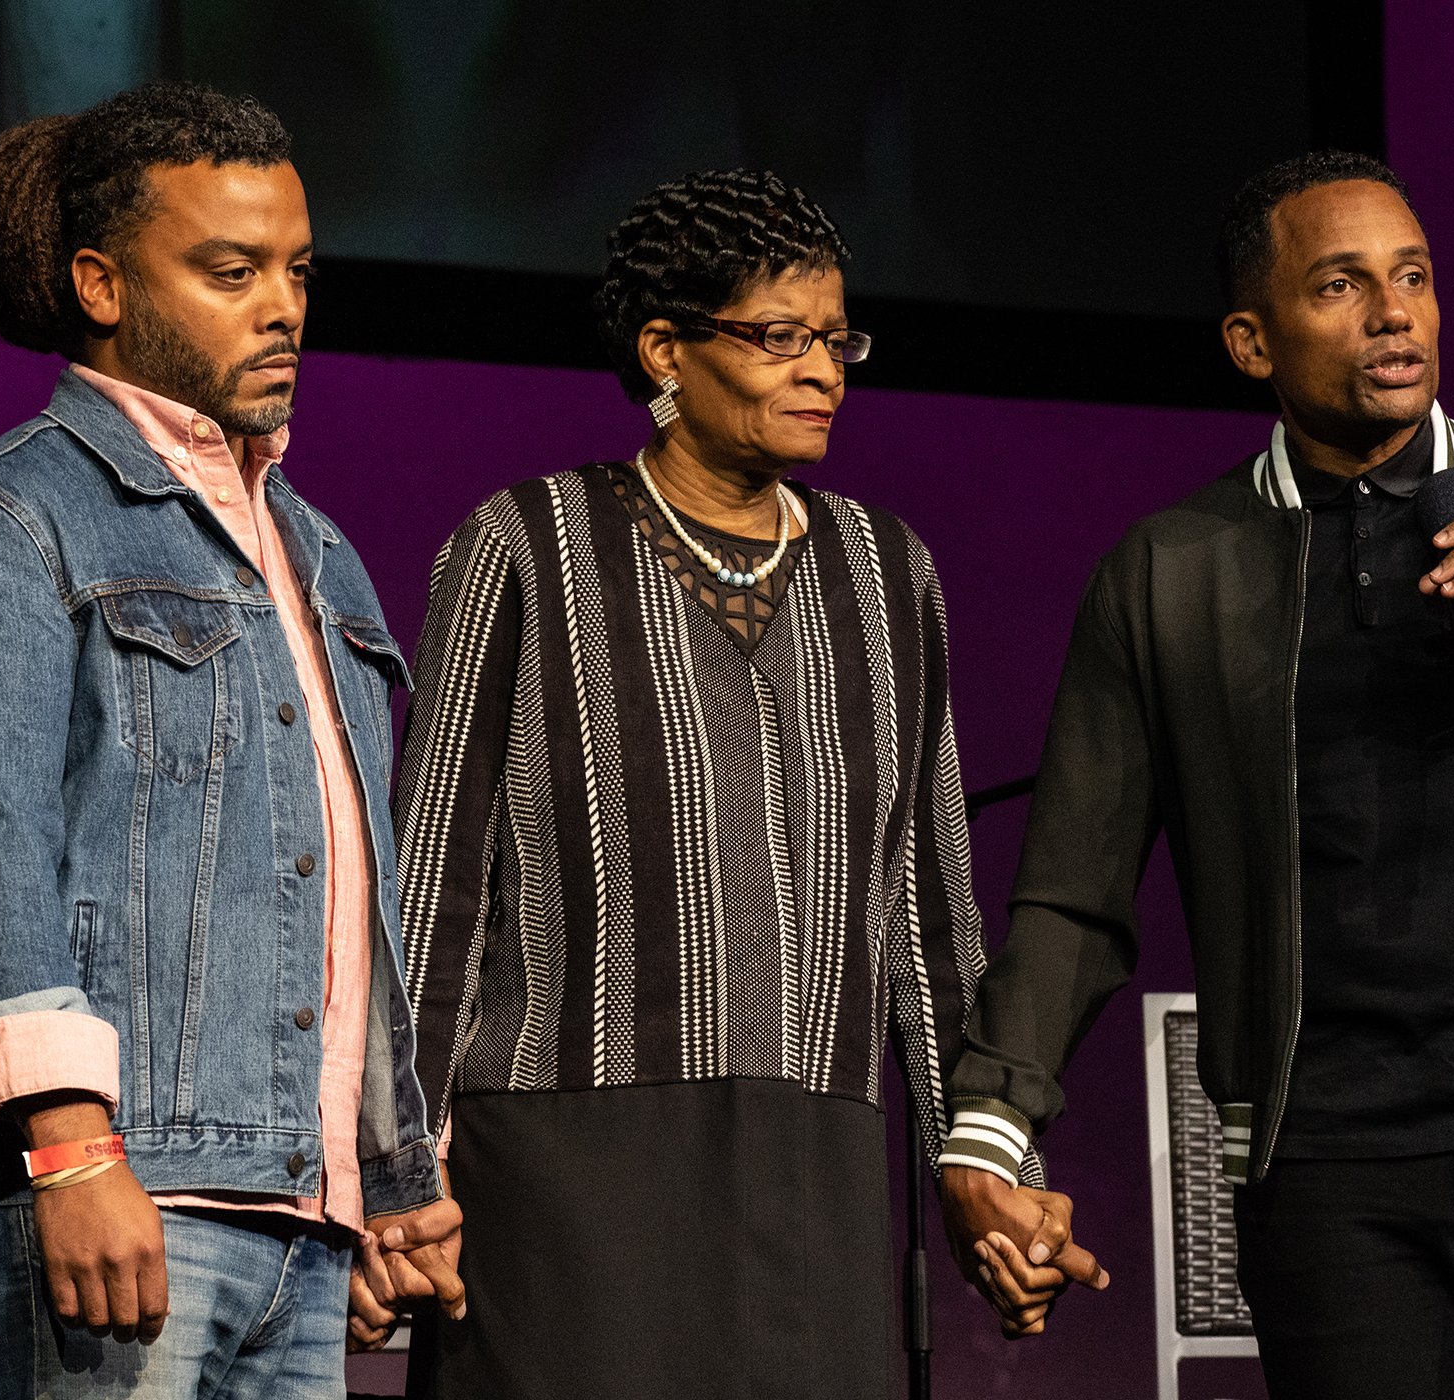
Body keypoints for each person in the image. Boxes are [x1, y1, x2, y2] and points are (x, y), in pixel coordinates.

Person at [936, 151, 1454, 1395]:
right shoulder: (1174, 571)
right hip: (1328, 1170)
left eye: (1414, 278)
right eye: (1341, 284)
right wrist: (993, 1127)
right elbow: (1075, 891)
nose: (1394, 314)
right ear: (1251, 340)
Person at [360, 168, 1072, 1398]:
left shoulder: (885, 572)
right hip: (567, 1165)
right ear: (664, 351)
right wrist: (396, 1169)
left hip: (818, 1162)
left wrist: (981, 1156)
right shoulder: (525, 543)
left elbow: (928, 906)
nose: (825, 370)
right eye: (778, 337)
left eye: (836, 338)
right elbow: (433, 889)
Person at [0, 82, 461, 1399]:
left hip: (297, 1216)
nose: (282, 306)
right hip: (111, 1193)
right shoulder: (7, 519)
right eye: (228, 269)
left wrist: (389, 1175)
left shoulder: (319, 555)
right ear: (101, 282)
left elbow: (345, 894)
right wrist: (73, 1151)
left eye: (296, 269)